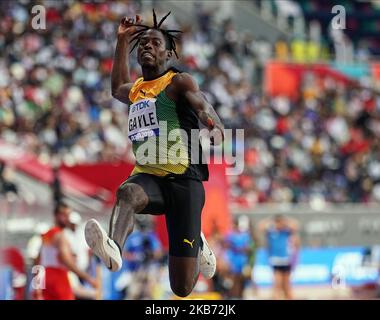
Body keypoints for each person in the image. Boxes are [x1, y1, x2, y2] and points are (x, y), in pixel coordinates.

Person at [85, 10, 225, 298]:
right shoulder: (137, 90)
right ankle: (113, 248)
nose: (147, 46)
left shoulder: (178, 82)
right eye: (143, 43)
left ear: (168, 53)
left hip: (184, 183)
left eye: (155, 43)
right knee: (127, 194)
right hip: (150, 177)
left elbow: (202, 105)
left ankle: (196, 242)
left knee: (182, 288)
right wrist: (122, 40)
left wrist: (210, 120)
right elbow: (116, 88)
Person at [34, 202, 97, 300]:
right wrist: (88, 278)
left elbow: (37, 261)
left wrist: (37, 285)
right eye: (65, 215)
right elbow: (66, 260)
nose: (68, 218)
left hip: (46, 278)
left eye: (68, 215)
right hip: (59, 277)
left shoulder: (47, 235)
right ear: (57, 216)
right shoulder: (60, 236)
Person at [258, 215, 300, 300]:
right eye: (278, 222)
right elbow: (260, 226)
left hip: (286, 260)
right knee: (277, 284)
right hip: (275, 260)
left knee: (286, 284)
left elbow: (296, 226)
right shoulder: (271, 232)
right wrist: (270, 220)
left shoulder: (285, 231)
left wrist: (285, 221)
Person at [224, 216, 255, 299]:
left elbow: (250, 248)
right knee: (234, 279)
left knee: (243, 279)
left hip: (242, 260)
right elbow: (226, 246)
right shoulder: (230, 234)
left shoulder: (246, 235)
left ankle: (240, 296)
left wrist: (246, 250)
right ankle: (233, 296)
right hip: (233, 259)